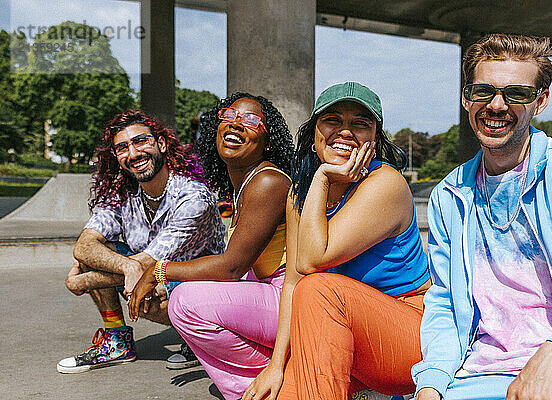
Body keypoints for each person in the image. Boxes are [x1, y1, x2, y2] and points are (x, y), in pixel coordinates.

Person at [412, 34, 552, 400]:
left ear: (540, 101)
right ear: (466, 98)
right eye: (483, 91)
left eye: (517, 94)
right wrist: (431, 383)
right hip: (475, 378)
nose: (496, 105)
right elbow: (446, 303)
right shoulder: (450, 196)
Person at [244, 82, 430, 400]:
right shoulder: (300, 193)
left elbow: (312, 261)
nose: (345, 131)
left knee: (318, 288)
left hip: (409, 335)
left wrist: (323, 176)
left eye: (360, 123)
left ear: (375, 139)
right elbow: (291, 283)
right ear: (315, 133)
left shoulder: (385, 183)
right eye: (332, 120)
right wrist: (277, 365)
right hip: (340, 335)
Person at [128, 93, 295, 400]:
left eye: (250, 120)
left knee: (186, 303)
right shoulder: (245, 182)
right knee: (188, 292)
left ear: (268, 141)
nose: (236, 124)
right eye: (229, 115)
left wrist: (160, 271)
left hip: (292, 301)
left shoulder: (268, 182)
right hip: (274, 292)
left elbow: (232, 267)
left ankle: (276, 385)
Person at [57, 110, 225, 373]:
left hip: (202, 285)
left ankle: (198, 339)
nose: (133, 154)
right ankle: (117, 341)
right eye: (122, 148)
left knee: (145, 295)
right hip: (156, 277)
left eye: (140, 142)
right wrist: (127, 267)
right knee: (102, 255)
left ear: (161, 144)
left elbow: (149, 264)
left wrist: (80, 280)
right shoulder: (122, 193)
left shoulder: (193, 197)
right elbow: (85, 246)